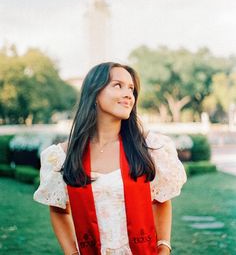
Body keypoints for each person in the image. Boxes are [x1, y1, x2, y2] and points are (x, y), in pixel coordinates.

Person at [34, 62, 187, 255]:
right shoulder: (64, 156)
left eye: (131, 89)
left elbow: (162, 200)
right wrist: (72, 252)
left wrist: (164, 246)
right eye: (118, 85)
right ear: (95, 93)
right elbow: (58, 210)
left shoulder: (148, 148)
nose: (128, 94)